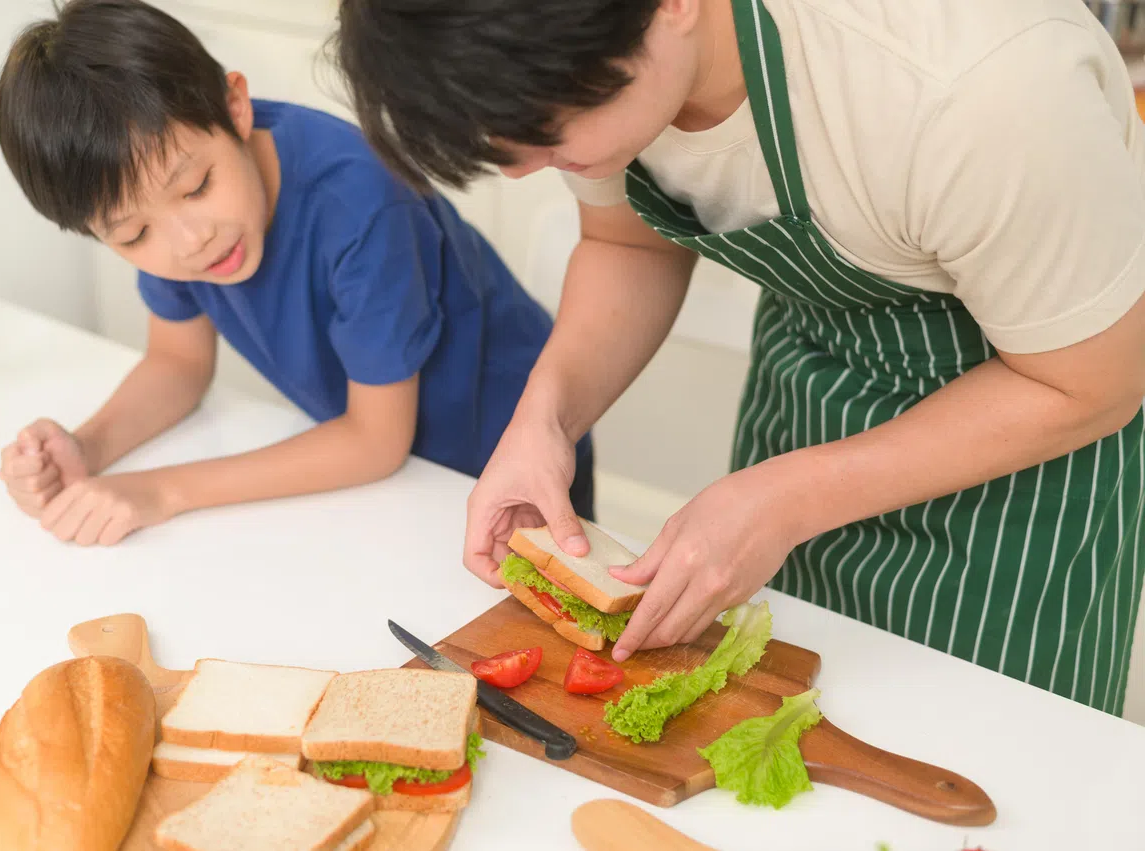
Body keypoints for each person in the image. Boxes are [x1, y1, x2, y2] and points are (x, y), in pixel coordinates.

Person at [332, 0, 1145, 714]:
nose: (527, 169)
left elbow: (1090, 382)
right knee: (775, 722)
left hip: (1028, 472)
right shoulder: (593, 57)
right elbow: (629, 244)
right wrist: (546, 417)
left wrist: (786, 497)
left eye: (547, 136)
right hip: (808, 401)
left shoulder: (976, 89)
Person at [0, 0, 593, 546]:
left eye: (197, 187)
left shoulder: (362, 202)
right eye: (132, 235)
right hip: (389, 481)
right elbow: (178, 363)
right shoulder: (173, 207)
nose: (189, 240)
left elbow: (374, 442)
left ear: (235, 108)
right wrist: (88, 448)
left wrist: (161, 491)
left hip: (508, 457)